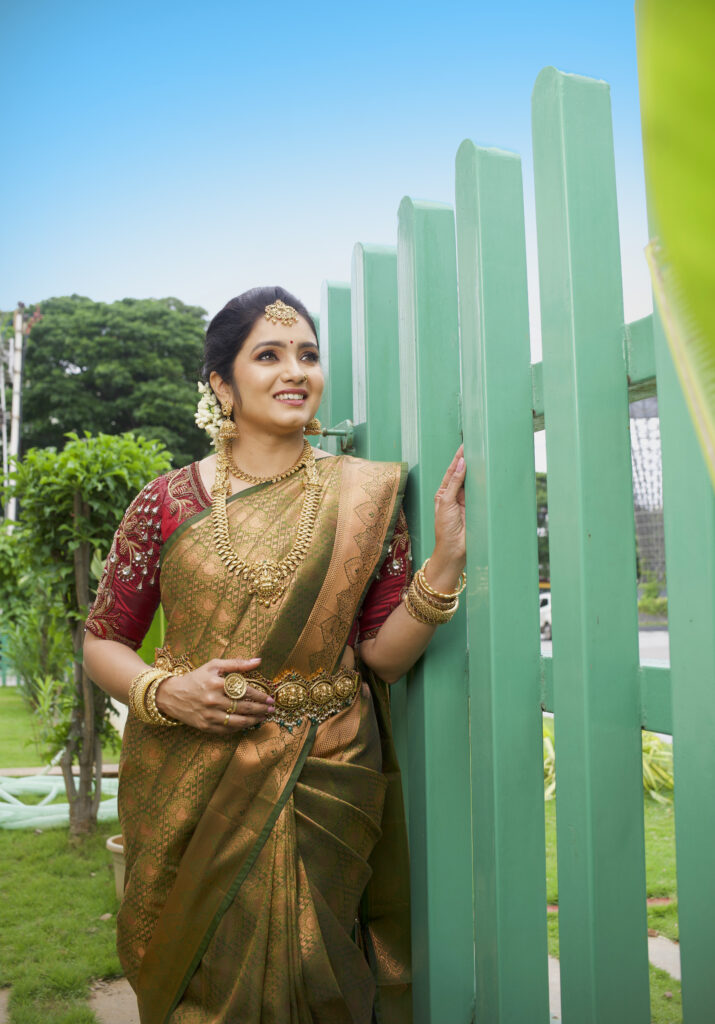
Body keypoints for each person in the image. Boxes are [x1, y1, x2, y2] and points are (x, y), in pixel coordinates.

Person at [83, 285, 467, 1024]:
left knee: (316, 968)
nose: (295, 371)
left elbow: (382, 660)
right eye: (269, 355)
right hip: (190, 767)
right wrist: (166, 693)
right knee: (195, 975)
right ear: (220, 386)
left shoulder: (367, 495)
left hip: (327, 769)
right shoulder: (164, 503)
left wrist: (444, 564)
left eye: (308, 355)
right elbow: (104, 640)